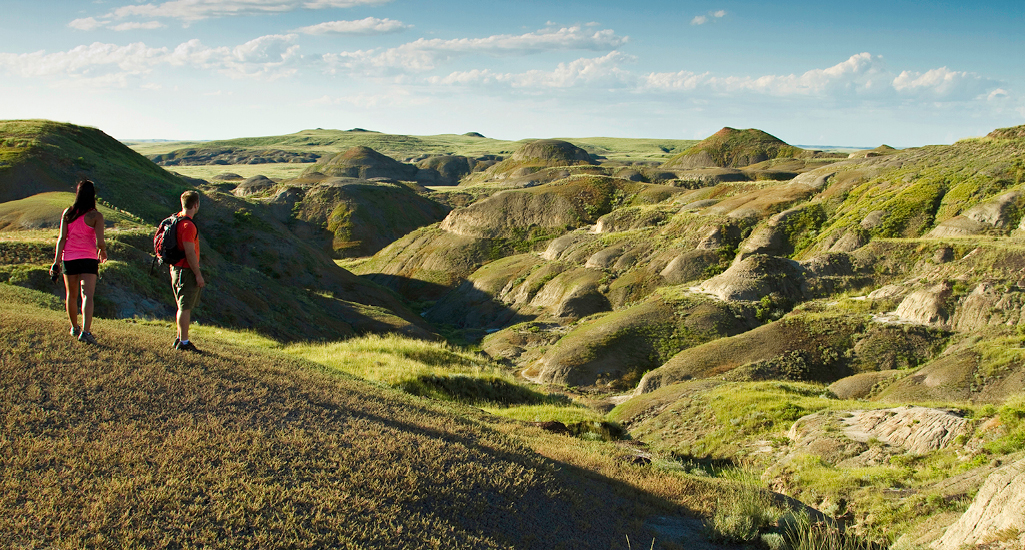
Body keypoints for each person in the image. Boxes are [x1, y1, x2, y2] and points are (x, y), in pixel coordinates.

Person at [50, 179, 107, 345]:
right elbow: (100, 241)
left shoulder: (68, 213)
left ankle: (74, 327)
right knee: (87, 295)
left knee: (71, 294)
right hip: (88, 258)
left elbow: (61, 238)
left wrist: (57, 261)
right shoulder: (96, 216)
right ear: (93, 195)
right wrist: (102, 251)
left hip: (69, 257)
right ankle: (86, 332)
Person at [170, 190, 205, 352]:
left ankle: (179, 338)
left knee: (181, 305)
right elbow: (189, 252)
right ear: (196, 204)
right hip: (186, 269)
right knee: (185, 307)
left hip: (176, 268)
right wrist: (198, 274)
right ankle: (184, 342)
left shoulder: (176, 220)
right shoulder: (188, 225)